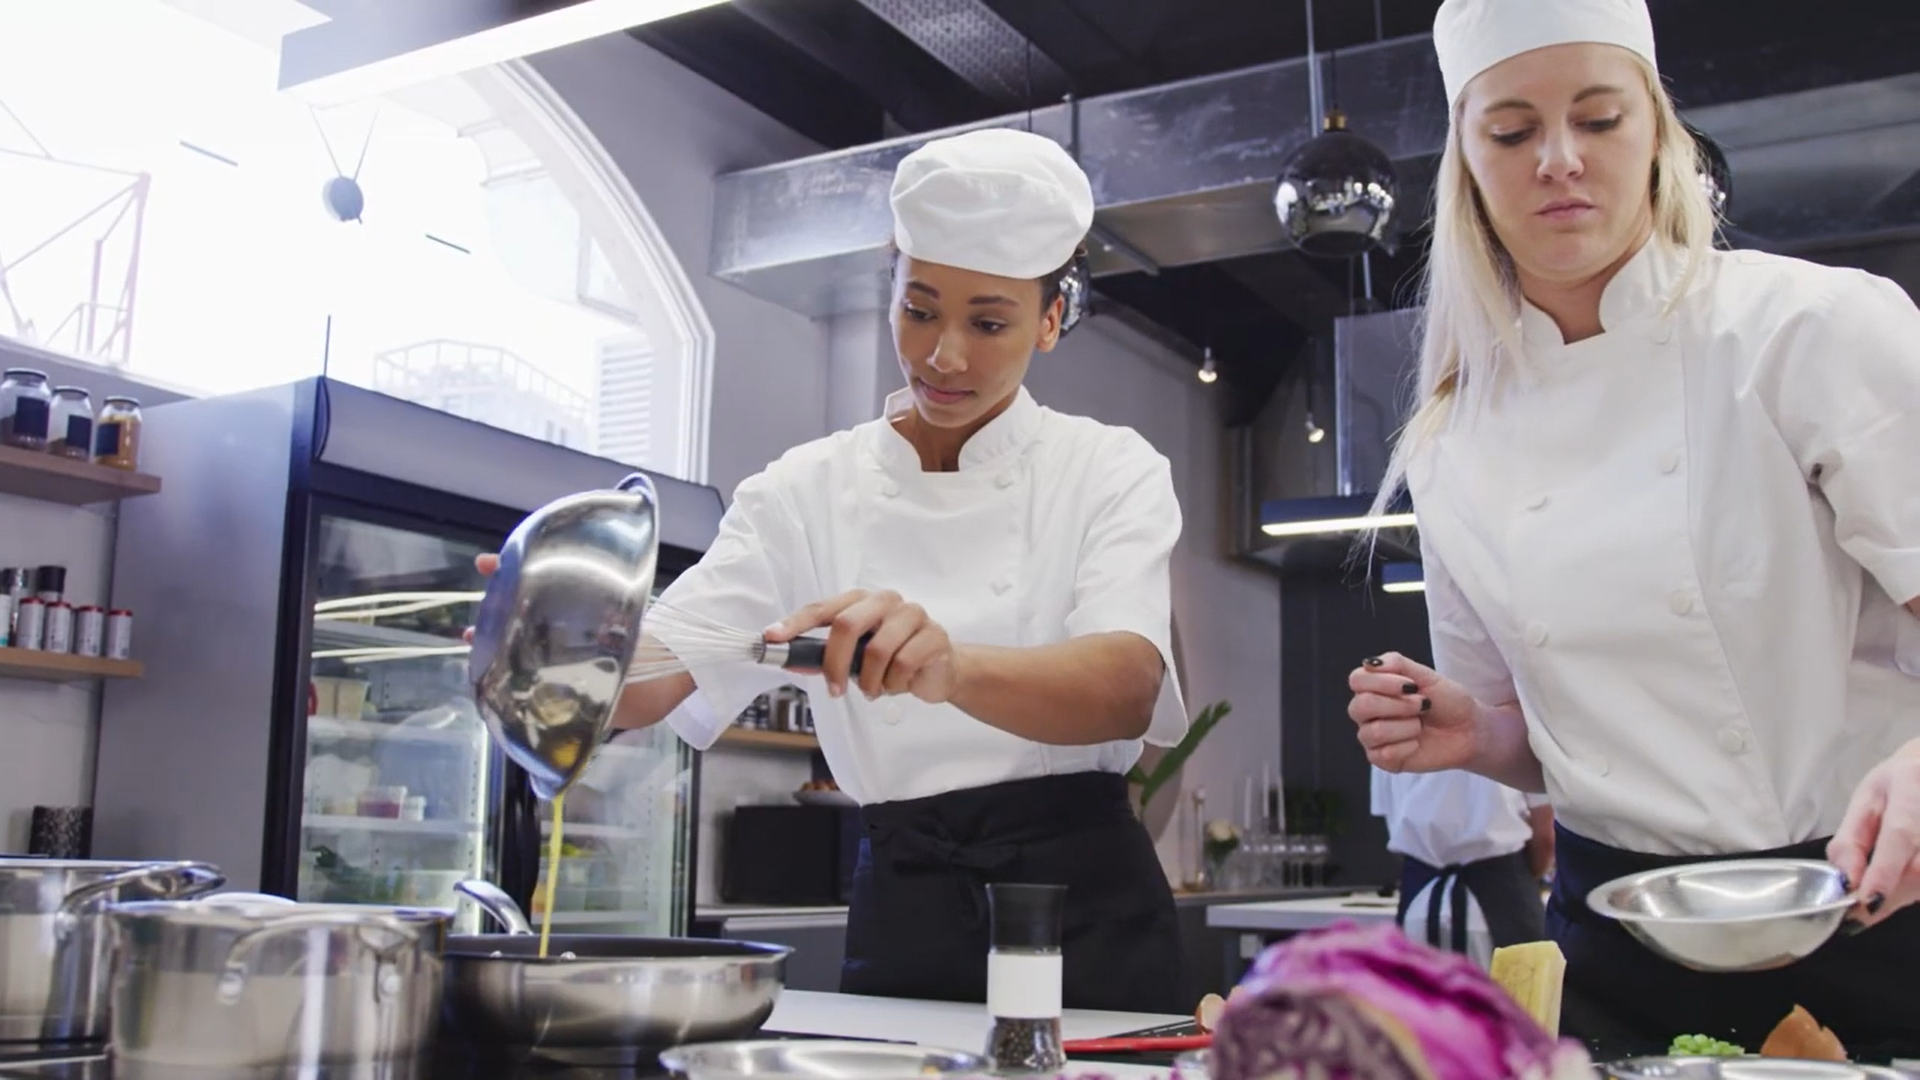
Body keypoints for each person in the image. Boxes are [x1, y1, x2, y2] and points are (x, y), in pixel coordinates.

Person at [485, 127, 1191, 1013]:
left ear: (1051, 321)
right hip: (908, 903)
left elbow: (1124, 684)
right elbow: (656, 676)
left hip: (1081, 911)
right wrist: (553, 630)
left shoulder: (1109, 468)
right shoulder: (803, 489)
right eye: (919, 308)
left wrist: (951, 666)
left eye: (988, 321)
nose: (943, 354)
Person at [1344, 0, 1920, 1050]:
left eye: (1599, 119)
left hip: (1864, 917)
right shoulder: (1449, 439)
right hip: (1618, 946)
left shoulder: (1810, 331)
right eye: (1512, 132)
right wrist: (1476, 736)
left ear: (1658, 135)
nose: (1558, 160)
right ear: (1467, 164)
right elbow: (1556, 745)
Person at [1371, 766, 1551, 969]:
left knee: (1418, 997)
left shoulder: (1388, 738)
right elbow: (1546, 839)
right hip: (1504, 900)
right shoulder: (1518, 735)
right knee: (1517, 995)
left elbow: (1390, 819)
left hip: (1419, 903)